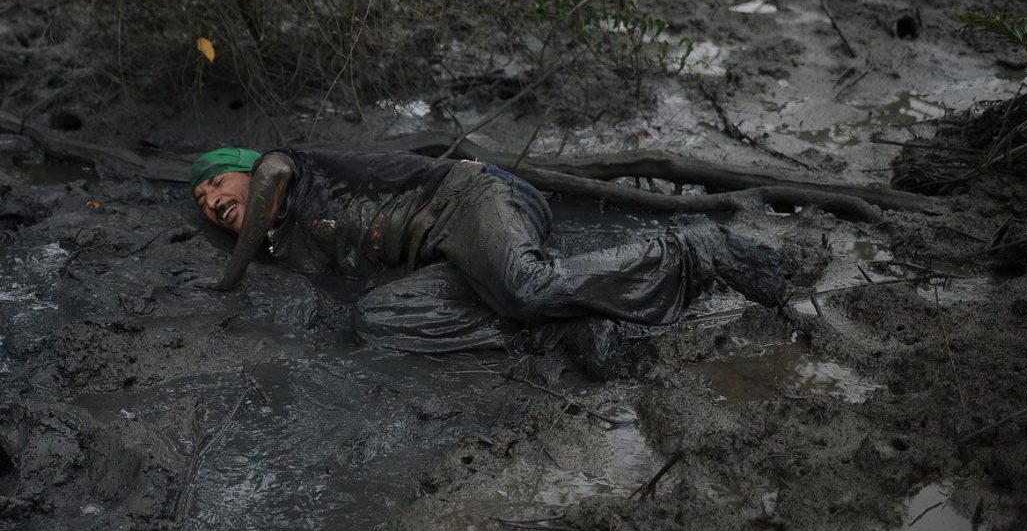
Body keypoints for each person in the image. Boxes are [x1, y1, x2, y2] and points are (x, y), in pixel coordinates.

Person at [189, 146, 786, 356]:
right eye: (202, 200)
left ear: (244, 167)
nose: (211, 199)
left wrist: (226, 279)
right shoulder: (283, 238)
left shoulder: (283, 166)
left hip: (471, 199)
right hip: (446, 260)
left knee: (523, 285)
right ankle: (562, 331)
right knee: (379, 319)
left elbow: (265, 177)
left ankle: (692, 251)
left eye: (217, 182)